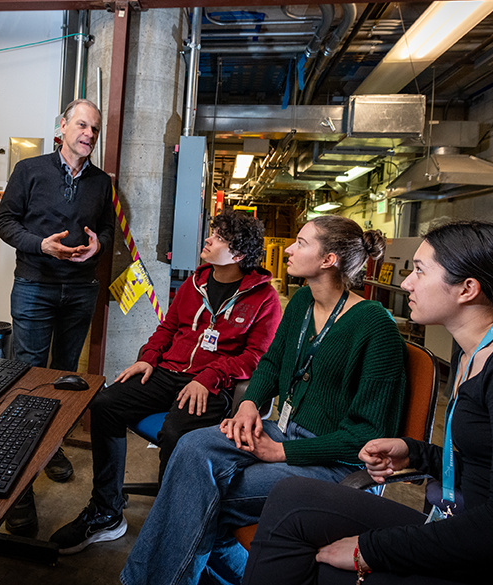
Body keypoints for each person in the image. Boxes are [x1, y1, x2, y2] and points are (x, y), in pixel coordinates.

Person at [241, 220, 493, 585]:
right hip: (479, 528)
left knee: (321, 564)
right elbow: (488, 467)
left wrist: (370, 549)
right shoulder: (475, 355)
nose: (405, 283)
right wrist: (416, 454)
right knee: (291, 498)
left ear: (467, 288)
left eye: (419, 270)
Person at [121, 215, 408, 585]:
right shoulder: (303, 300)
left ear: (328, 260)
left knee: (203, 492)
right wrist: (248, 405)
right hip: (282, 431)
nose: (288, 248)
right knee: (191, 447)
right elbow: (271, 363)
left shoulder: (374, 325)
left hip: (330, 460)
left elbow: (366, 437)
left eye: (301, 243)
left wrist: (280, 453)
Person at [50, 211, 283, 554]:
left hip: (212, 385)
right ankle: (106, 512)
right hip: (167, 372)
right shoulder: (195, 283)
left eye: (218, 237)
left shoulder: (264, 298)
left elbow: (256, 356)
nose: (208, 239)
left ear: (238, 256)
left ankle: (167, 524)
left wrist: (209, 377)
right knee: (105, 405)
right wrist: (147, 357)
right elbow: (167, 329)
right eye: (212, 232)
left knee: (175, 434)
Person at [0, 98, 114, 533]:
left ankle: (52, 446)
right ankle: (18, 476)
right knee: (25, 376)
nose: (89, 135)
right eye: (82, 125)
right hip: (35, 286)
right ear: (62, 126)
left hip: (80, 290)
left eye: (95, 129)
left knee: (64, 375)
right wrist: (40, 245)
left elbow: (107, 229)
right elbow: (4, 223)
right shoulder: (29, 171)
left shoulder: (101, 183)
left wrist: (99, 244)